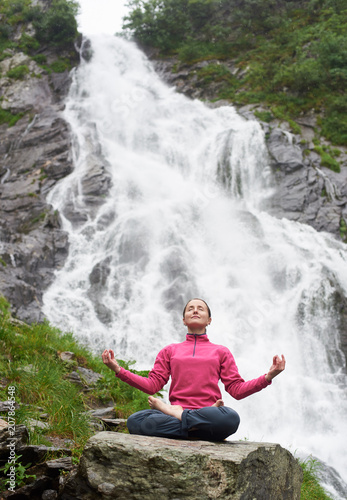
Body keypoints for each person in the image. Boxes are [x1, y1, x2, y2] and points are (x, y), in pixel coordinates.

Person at [102, 298, 285, 441]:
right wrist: (119, 370)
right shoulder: (170, 350)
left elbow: (236, 390)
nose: (195, 310)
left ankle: (181, 417)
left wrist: (268, 377)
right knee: (136, 421)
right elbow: (152, 385)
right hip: (203, 421)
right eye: (190, 308)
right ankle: (193, 425)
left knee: (230, 418)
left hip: (204, 413)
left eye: (200, 308)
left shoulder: (221, 351)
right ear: (183, 320)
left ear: (209, 320)